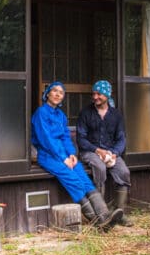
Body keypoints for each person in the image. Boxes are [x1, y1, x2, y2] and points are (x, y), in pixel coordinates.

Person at [31, 81, 122, 230]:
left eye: (61, 93)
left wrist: (72, 154)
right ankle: (97, 222)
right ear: (47, 93)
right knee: (73, 179)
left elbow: (66, 137)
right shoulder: (41, 113)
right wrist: (63, 158)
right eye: (54, 91)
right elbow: (46, 139)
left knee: (83, 177)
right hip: (48, 155)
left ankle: (104, 215)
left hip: (65, 155)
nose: (57, 94)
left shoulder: (61, 115)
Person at [76, 80, 133, 227]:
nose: (95, 97)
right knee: (99, 167)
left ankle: (120, 213)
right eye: (94, 93)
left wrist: (114, 153)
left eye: (99, 94)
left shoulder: (116, 115)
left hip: (110, 152)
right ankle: (102, 214)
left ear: (107, 95)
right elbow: (81, 139)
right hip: (90, 151)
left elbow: (121, 139)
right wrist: (97, 150)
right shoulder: (85, 113)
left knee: (124, 172)